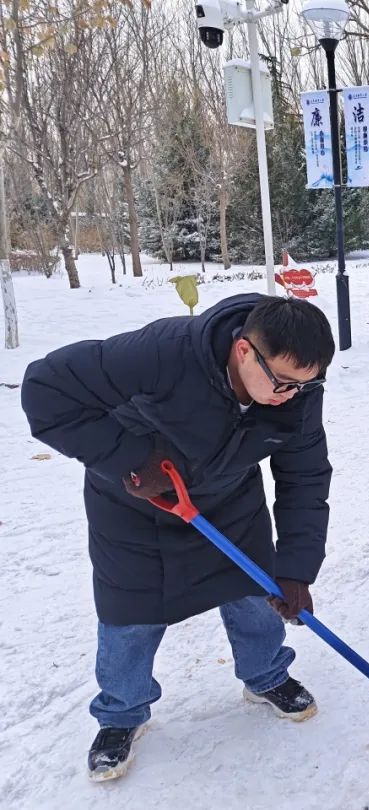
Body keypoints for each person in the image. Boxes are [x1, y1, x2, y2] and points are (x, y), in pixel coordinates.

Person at [20, 295, 336, 782]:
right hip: (138, 505)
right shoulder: (162, 353)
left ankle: (266, 674)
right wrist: (130, 458)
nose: (291, 396)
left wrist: (296, 568)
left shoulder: (296, 392)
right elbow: (45, 390)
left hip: (229, 502)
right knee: (130, 615)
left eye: (305, 385)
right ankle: (122, 713)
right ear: (244, 351)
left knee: (256, 594)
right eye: (283, 383)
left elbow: (306, 475)